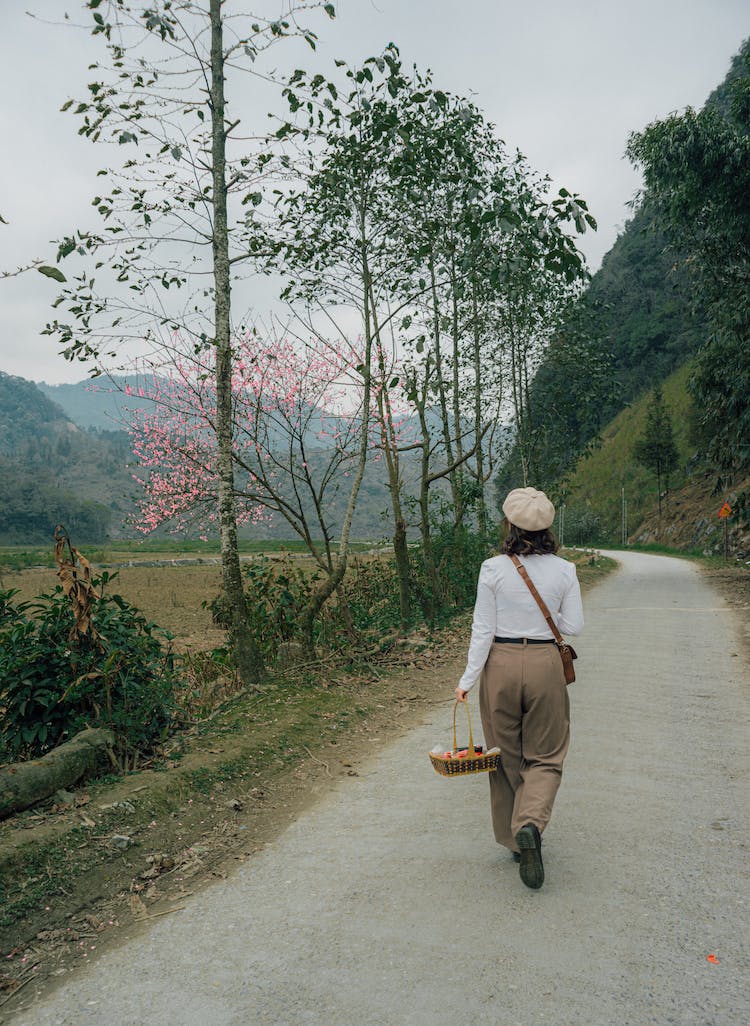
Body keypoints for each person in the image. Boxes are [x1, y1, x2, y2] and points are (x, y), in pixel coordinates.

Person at [455, 487, 583, 890]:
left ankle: (514, 838)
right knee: (545, 755)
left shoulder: (492, 568)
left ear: (508, 524)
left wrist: (467, 679)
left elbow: (483, 629)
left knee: (503, 754)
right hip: (545, 664)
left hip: (500, 665)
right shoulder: (565, 571)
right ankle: (531, 823)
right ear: (548, 527)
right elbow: (573, 627)